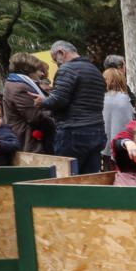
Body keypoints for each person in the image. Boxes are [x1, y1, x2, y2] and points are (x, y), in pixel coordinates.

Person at [31, 40, 106, 173]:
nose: (57, 64)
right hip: (97, 130)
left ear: (61, 53)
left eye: (55, 60)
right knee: (92, 179)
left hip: (73, 131)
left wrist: (42, 102)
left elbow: (59, 100)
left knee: (66, 177)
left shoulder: (67, 69)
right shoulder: (95, 70)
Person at [3, 53, 55, 153]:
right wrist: (55, 118)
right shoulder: (20, 87)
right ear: (28, 69)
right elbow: (35, 117)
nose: (42, 74)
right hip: (29, 139)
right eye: (38, 70)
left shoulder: (18, 83)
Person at [102, 67, 134, 170]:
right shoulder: (125, 100)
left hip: (102, 145)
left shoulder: (100, 99)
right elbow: (130, 121)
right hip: (121, 145)